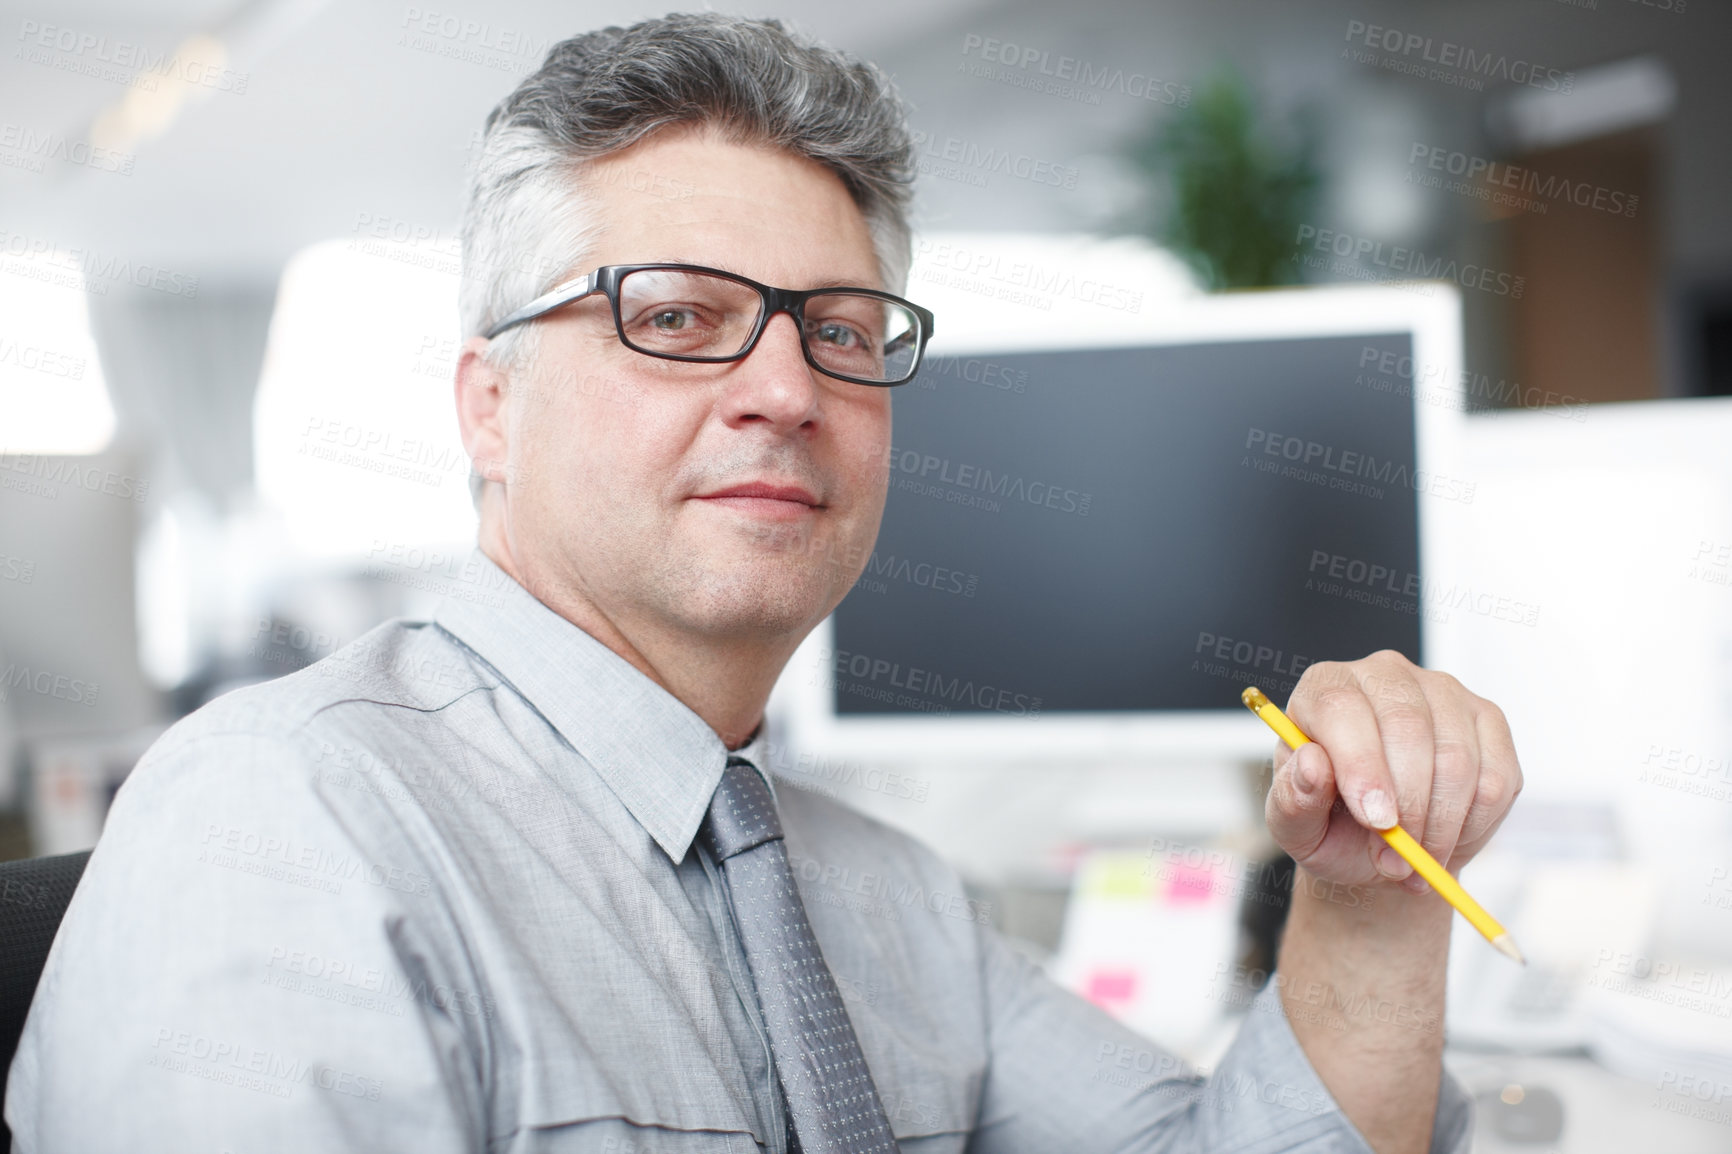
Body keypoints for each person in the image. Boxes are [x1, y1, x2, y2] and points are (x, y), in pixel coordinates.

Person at [6, 14, 1518, 1153]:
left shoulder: (893, 897)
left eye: (844, 330)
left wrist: (1368, 904)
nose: (787, 388)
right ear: (488, 407)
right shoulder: (280, 818)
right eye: (676, 315)